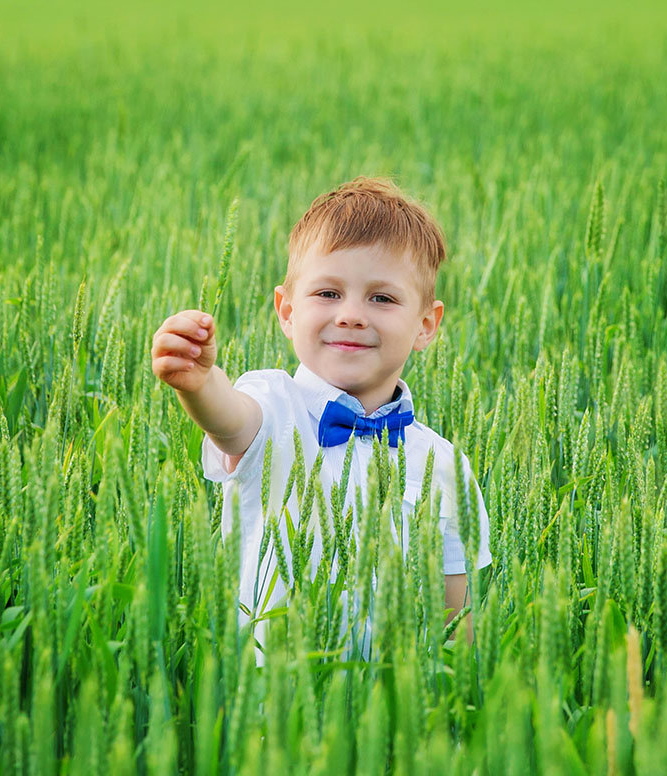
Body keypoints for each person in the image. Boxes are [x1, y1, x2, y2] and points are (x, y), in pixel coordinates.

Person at [150, 176, 493, 664]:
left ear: (425, 324)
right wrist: (199, 384)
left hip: (394, 716)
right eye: (328, 293)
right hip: (271, 709)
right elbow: (229, 420)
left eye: (382, 298)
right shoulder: (272, 405)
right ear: (287, 312)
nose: (351, 314)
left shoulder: (446, 467)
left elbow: (458, 624)